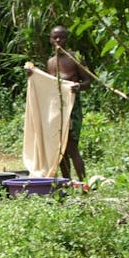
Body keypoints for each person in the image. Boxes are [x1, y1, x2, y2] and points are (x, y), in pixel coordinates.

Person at [45, 25, 92, 181]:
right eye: (55, 37)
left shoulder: (74, 58)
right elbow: (47, 85)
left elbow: (87, 82)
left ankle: (84, 185)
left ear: (67, 39)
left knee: (72, 147)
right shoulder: (50, 62)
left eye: (62, 37)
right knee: (60, 149)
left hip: (72, 109)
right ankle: (67, 183)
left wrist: (77, 87)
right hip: (56, 110)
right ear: (50, 39)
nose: (58, 40)